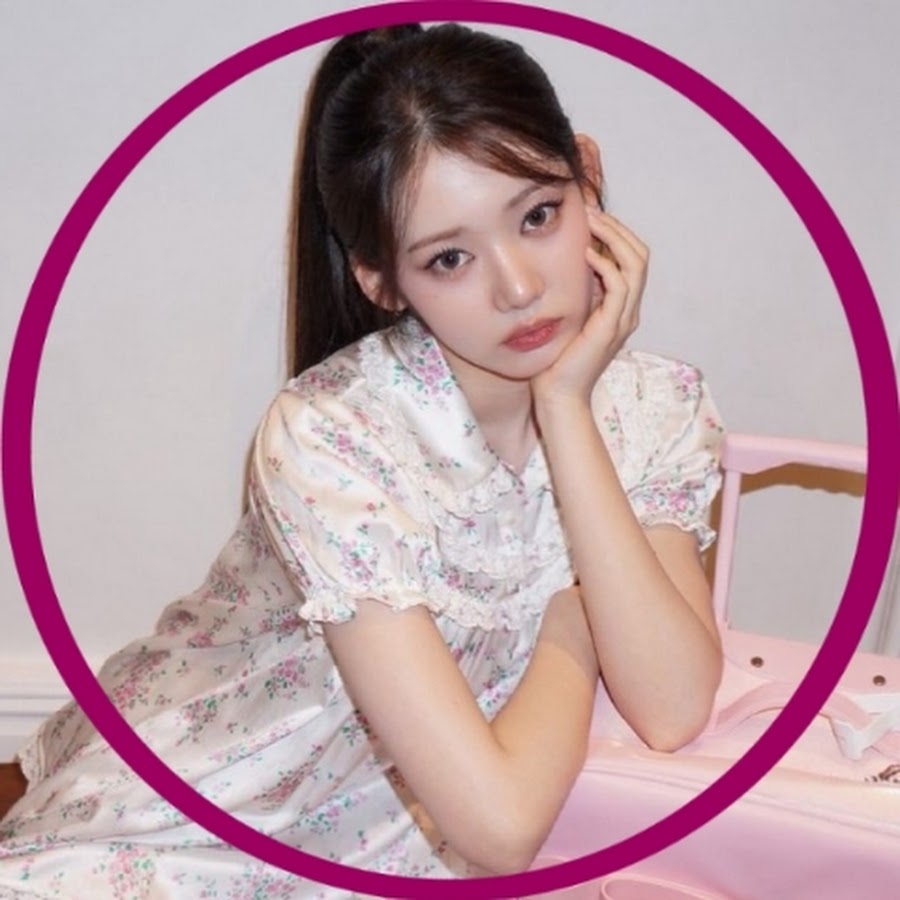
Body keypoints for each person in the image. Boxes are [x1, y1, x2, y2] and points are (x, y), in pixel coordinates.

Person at [0, 22, 725, 897]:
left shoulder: (655, 406)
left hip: (416, 824)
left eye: (539, 215)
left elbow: (671, 708)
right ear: (380, 280)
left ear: (588, 177)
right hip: (212, 808)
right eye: (450, 258)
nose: (520, 287)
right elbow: (499, 829)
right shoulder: (329, 434)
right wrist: (572, 622)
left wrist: (564, 405)